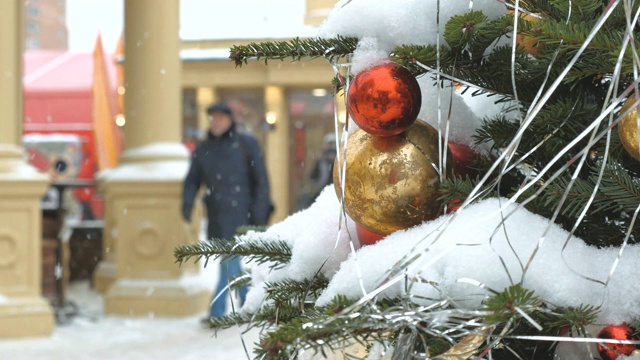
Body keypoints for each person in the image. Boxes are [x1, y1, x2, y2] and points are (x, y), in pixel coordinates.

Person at [182, 102, 272, 322]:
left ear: (231, 120)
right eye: (213, 118)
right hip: (217, 214)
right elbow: (193, 180)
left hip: (242, 213)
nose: (216, 121)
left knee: (228, 261)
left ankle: (219, 311)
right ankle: (248, 305)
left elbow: (261, 180)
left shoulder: (246, 144)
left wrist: (260, 211)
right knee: (230, 262)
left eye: (221, 117)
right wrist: (186, 203)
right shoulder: (204, 149)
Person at [309, 133, 337, 204]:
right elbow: (313, 175)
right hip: (321, 191)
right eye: (329, 144)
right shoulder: (321, 160)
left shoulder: (339, 160)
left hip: (334, 192)